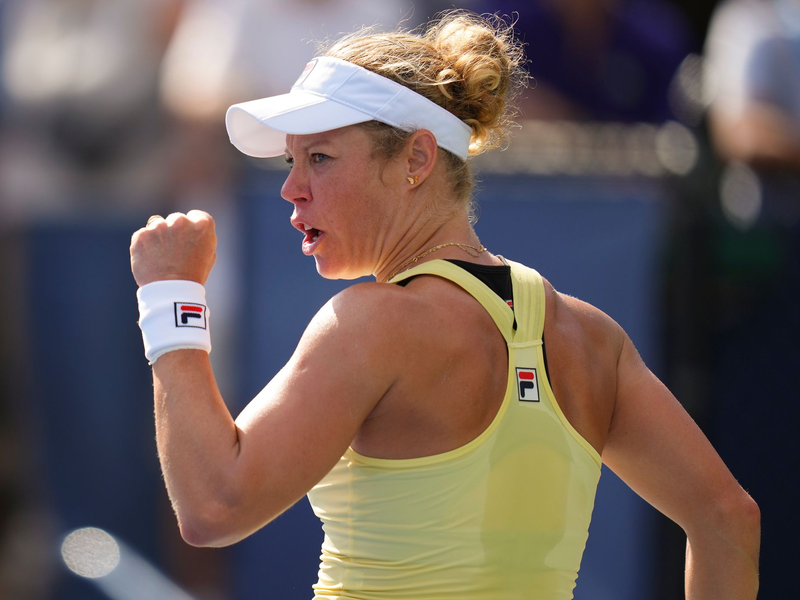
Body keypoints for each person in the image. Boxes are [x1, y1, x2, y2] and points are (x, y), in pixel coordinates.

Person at [129, 11, 760, 599]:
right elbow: (727, 520)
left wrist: (171, 296)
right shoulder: (593, 338)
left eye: (319, 158)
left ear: (417, 159)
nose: (292, 188)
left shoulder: (370, 324)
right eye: (292, 162)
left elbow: (214, 506)